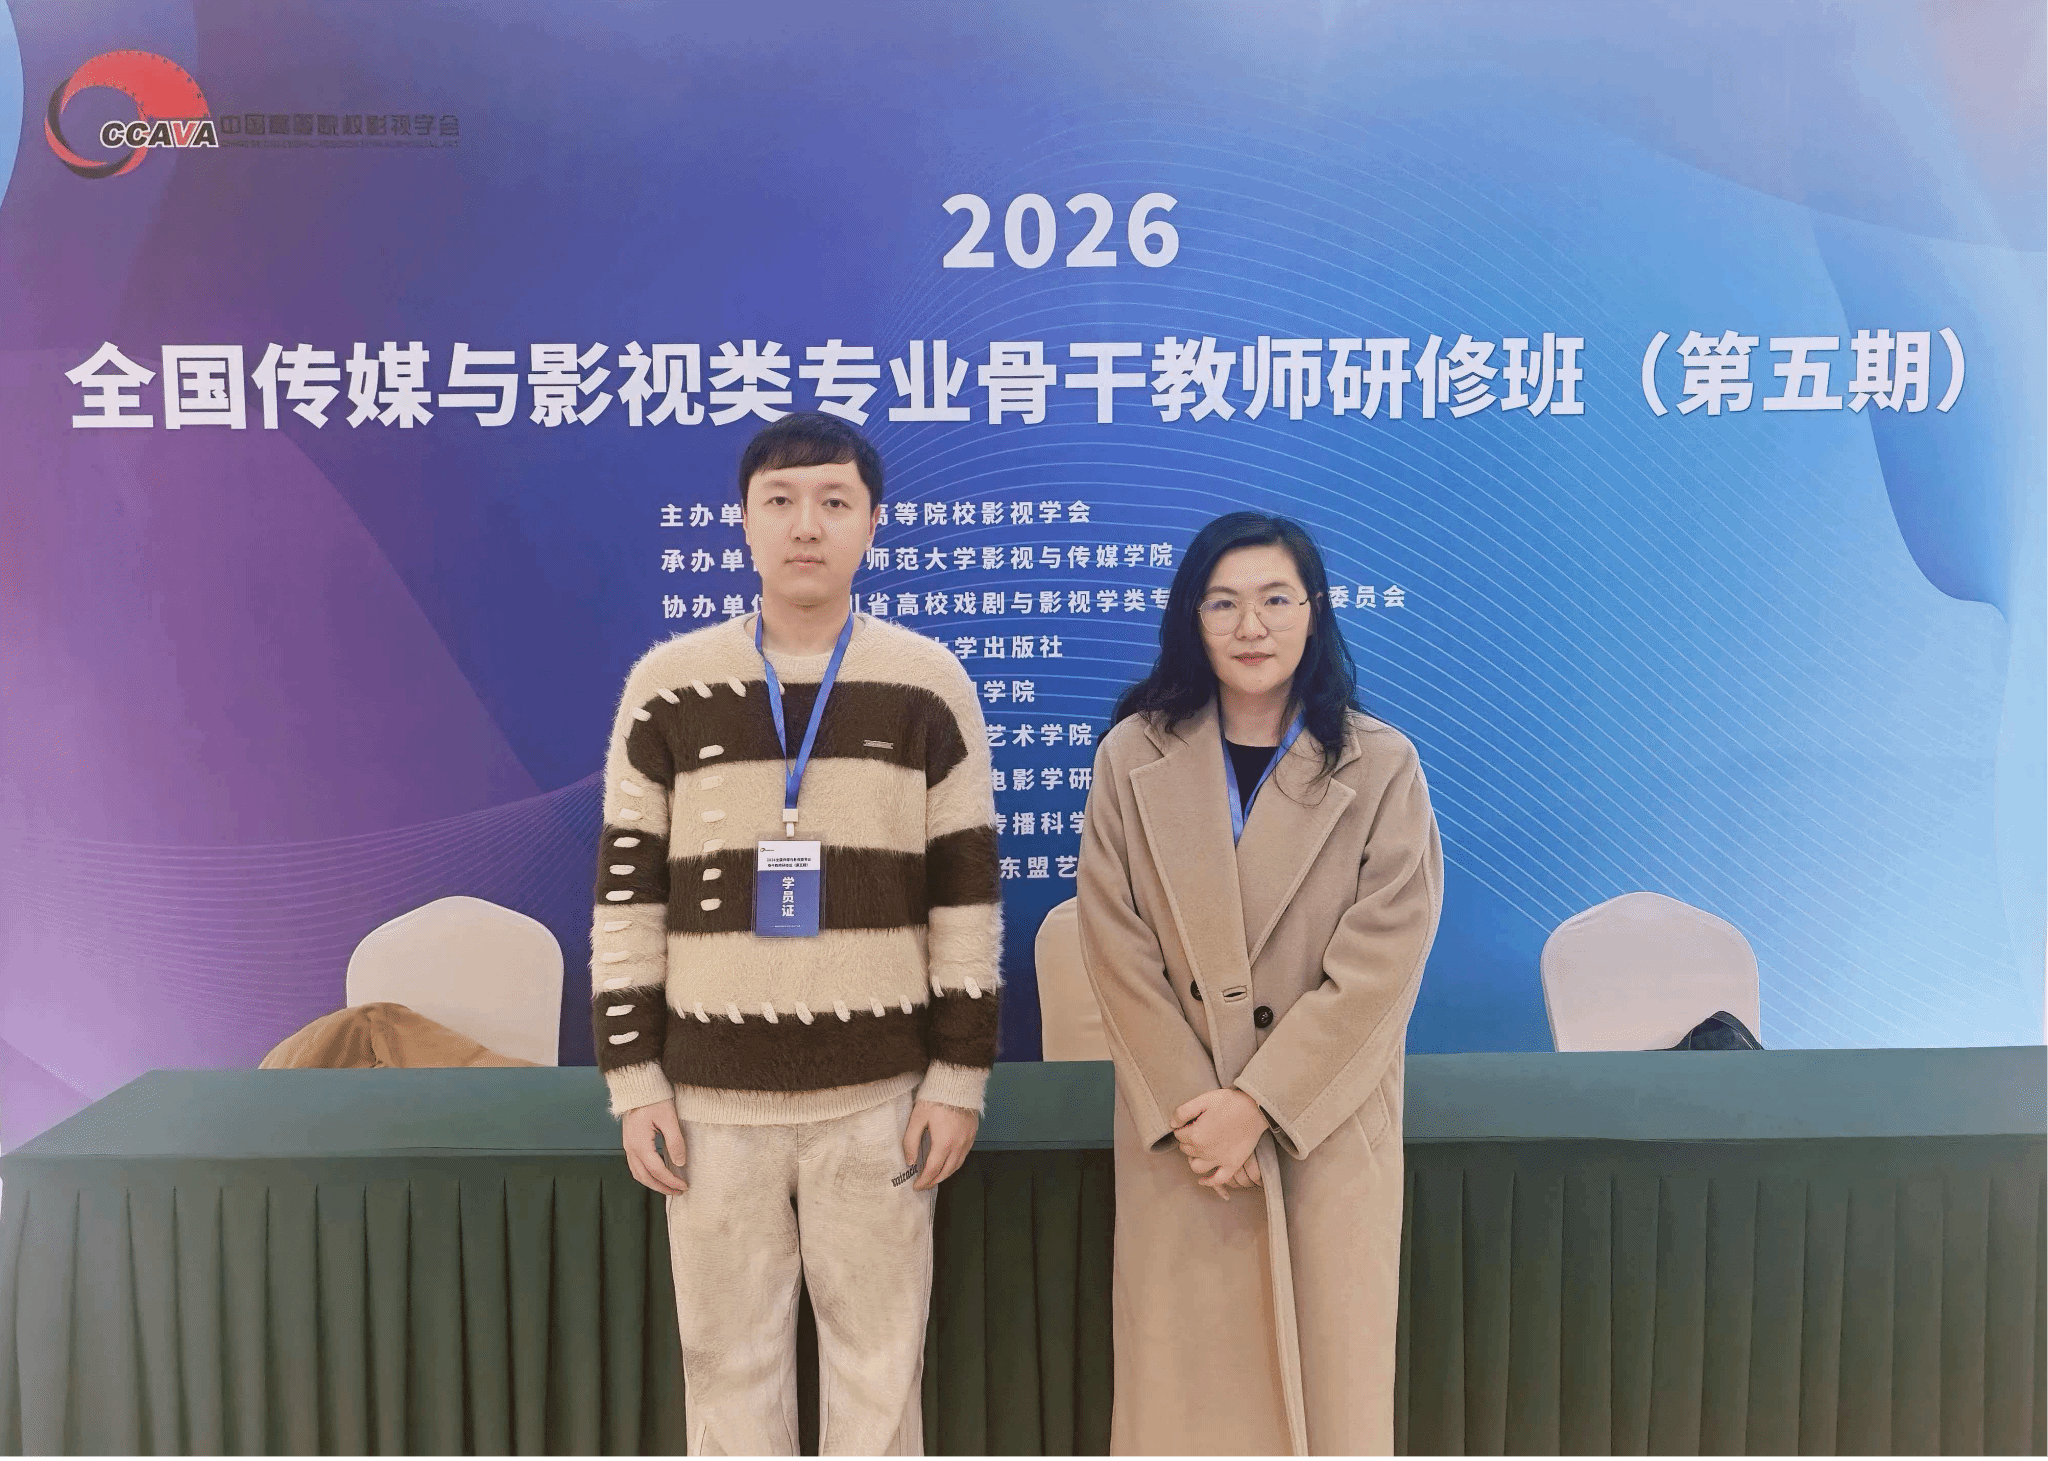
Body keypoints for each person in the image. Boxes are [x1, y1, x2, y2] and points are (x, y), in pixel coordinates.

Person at [590, 412, 1000, 1456]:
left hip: (880, 1101)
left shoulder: (929, 684)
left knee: (879, 1375)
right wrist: (635, 1081)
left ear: (872, 523)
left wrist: (957, 1080)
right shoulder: (668, 686)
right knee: (726, 1375)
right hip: (709, 1107)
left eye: (832, 501)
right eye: (779, 501)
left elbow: (965, 901)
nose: (805, 525)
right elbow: (628, 902)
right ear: (742, 521)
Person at [1076, 510, 1442, 1457]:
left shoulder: (1382, 764)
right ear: (1190, 618)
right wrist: (1203, 1109)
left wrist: (1262, 1102)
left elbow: (1381, 966)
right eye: (1224, 603)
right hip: (1187, 1139)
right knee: (1187, 1404)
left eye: (1277, 599)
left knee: (1329, 1394)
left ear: (1314, 611)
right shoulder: (1131, 756)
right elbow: (1115, 947)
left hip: (1320, 1128)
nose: (1252, 626)